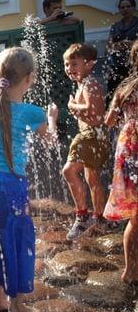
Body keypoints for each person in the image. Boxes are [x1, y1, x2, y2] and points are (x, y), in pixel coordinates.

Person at [0, 47, 58, 312]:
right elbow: (51, 140)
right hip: (11, 183)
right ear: (29, 79)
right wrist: (52, 119)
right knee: (16, 238)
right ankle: (18, 306)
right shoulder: (33, 112)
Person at [61, 43, 111, 240]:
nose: (69, 69)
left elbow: (95, 112)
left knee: (69, 170)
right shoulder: (84, 83)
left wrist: (73, 105)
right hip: (95, 136)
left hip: (92, 135)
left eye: (74, 64)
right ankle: (99, 218)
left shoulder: (90, 83)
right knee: (93, 179)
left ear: (89, 64)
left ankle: (82, 217)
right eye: (67, 65)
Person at [104, 41, 138, 285]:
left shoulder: (125, 89)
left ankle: (130, 271)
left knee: (135, 217)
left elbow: (108, 121)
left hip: (129, 149)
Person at [106, 0, 138, 103]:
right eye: (122, 7)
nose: (125, 9)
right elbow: (109, 45)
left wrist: (130, 44)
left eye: (128, 6)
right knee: (114, 90)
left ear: (134, 8)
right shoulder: (115, 26)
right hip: (117, 63)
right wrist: (119, 45)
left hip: (134, 61)